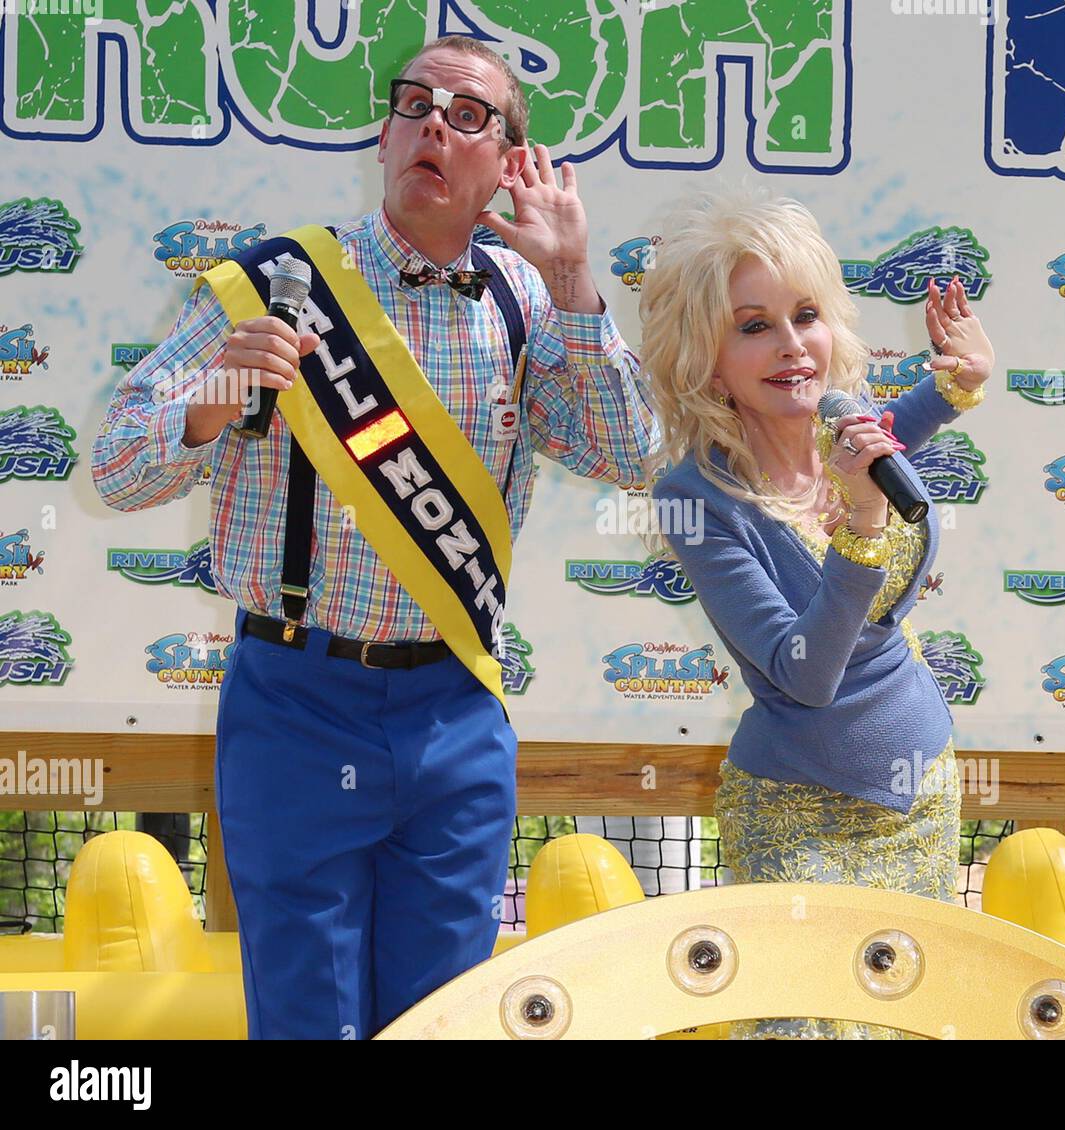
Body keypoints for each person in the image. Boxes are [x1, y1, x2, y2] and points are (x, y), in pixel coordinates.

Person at [92, 35, 654, 1040]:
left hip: (455, 705)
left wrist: (574, 278)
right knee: (308, 1016)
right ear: (388, 136)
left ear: (507, 166)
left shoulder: (531, 302)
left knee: (445, 1018)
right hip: (295, 706)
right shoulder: (272, 280)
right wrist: (211, 401)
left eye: (469, 113)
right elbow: (118, 466)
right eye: (414, 103)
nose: (434, 121)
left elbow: (630, 451)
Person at [642, 188, 995, 1038]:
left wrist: (960, 386)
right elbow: (804, 677)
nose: (793, 346)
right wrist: (862, 533)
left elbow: (897, 429)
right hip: (800, 813)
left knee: (911, 1024)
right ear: (705, 356)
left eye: (806, 315)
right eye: (753, 325)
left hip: (921, 791)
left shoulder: (846, 424)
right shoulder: (697, 498)